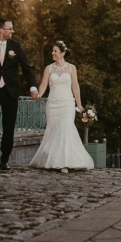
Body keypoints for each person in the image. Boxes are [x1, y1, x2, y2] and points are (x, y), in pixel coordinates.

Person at [0, 18, 38, 170]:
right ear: (1, 30)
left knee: (8, 126)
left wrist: (33, 87)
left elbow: (26, 67)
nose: (12, 31)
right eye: (9, 28)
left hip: (10, 91)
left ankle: (4, 160)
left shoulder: (16, 46)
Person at [29, 41, 94, 172]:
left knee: (65, 128)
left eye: (55, 51)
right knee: (53, 131)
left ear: (62, 54)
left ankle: (64, 163)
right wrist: (39, 94)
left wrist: (79, 104)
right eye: (52, 51)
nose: (52, 53)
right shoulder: (49, 68)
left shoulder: (71, 68)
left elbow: (75, 86)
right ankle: (53, 160)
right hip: (53, 104)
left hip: (67, 103)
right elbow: (43, 85)